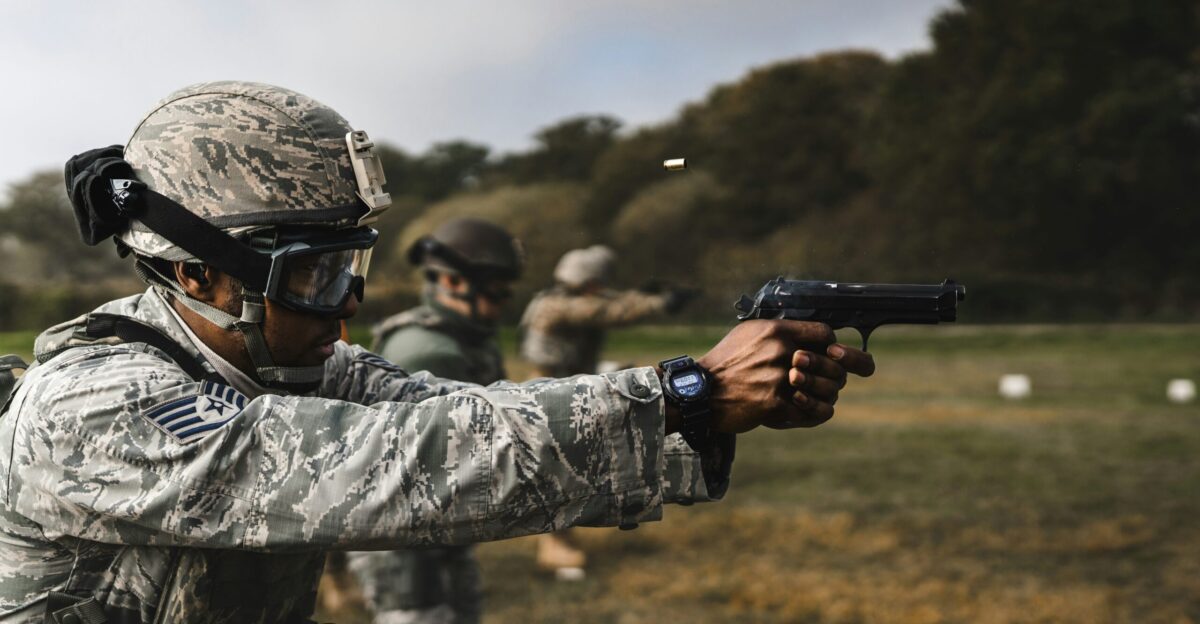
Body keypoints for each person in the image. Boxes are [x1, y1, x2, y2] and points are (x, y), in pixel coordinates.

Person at [0, 81, 874, 624]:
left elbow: (452, 418)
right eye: (311, 274)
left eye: (350, 266)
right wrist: (683, 395)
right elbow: (388, 464)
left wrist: (710, 398)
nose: (344, 309)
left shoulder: (291, 364)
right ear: (198, 272)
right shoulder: (95, 404)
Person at [341, 218, 523, 624]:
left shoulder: (464, 338)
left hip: (440, 516)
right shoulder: (429, 350)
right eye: (496, 291)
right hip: (404, 529)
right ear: (454, 283)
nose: (502, 303)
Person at [519, 245, 693, 577]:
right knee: (557, 470)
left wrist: (641, 295)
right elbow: (606, 312)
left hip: (569, 385)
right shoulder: (557, 305)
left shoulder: (562, 296)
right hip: (551, 393)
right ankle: (556, 544)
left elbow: (607, 302)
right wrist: (660, 303)